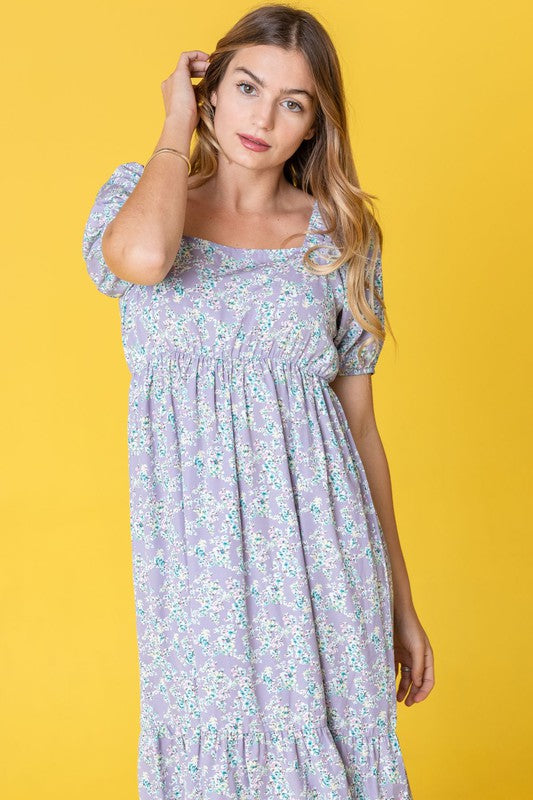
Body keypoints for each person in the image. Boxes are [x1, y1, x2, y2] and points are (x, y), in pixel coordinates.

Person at [82, 5, 434, 799]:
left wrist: (401, 604)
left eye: (292, 102)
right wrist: (175, 121)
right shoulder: (139, 201)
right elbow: (140, 258)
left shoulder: (340, 237)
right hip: (196, 566)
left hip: (326, 555)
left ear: (313, 125)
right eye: (245, 87)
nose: (262, 118)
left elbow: (359, 430)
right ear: (207, 91)